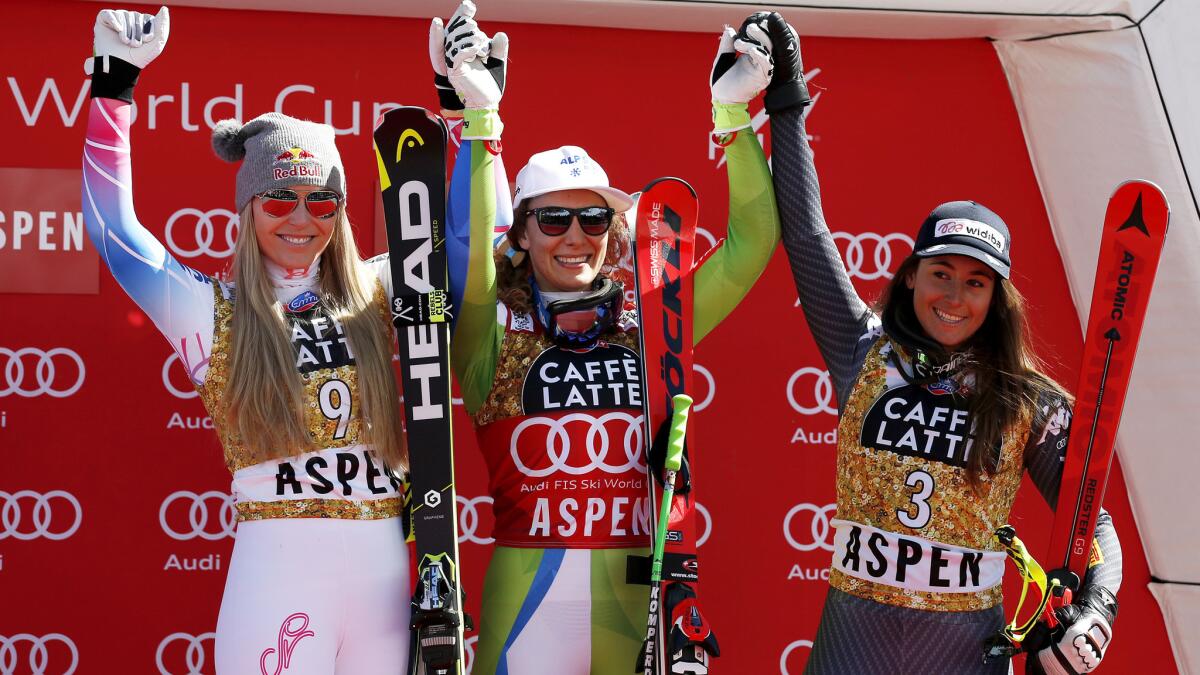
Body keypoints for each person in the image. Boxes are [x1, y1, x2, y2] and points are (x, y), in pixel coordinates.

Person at [750, 12, 1123, 675]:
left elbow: (1092, 524)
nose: (954, 295)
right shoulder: (862, 347)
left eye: (975, 283)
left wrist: (1097, 608)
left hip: (962, 649)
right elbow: (806, 237)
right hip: (851, 641)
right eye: (941, 273)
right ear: (911, 274)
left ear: (997, 298)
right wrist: (786, 102)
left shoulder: (1026, 399)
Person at [431, 4, 781, 673]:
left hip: (632, 591)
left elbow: (750, 244)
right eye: (554, 217)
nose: (574, 235)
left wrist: (733, 117)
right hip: (526, 594)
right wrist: (480, 124)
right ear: (523, 231)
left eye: (593, 218)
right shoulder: (490, 336)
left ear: (614, 231)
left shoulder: (652, 322)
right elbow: (469, 256)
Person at [82, 8, 411, 671]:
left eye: (322, 202)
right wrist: (114, 84)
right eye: (279, 198)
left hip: (383, 577)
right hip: (278, 576)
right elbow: (116, 239)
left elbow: (474, 252)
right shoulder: (211, 309)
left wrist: (474, 115)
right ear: (247, 207)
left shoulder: (379, 290)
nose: (300, 218)